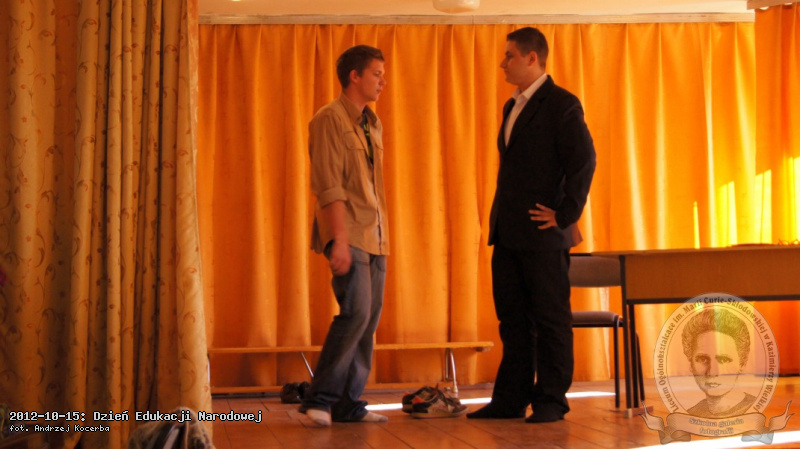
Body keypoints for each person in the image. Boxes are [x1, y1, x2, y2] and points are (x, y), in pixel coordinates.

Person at [467, 27, 596, 423]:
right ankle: (510, 399)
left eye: (509, 55)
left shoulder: (561, 103)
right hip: (509, 232)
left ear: (531, 58)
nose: (502, 63)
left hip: (543, 234)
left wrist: (565, 214)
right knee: (513, 321)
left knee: (550, 319)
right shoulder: (513, 106)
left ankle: (551, 400)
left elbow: (584, 160)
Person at [300, 45, 390, 427]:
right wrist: (338, 239)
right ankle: (319, 399)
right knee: (355, 313)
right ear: (355, 76)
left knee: (368, 322)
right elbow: (329, 186)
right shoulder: (329, 119)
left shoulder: (372, 123)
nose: (383, 82)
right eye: (376, 74)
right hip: (348, 231)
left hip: (376, 234)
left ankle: (348, 404)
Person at [681, 308, 756, 418]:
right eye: (702, 359)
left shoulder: (755, 411)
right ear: (691, 364)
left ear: (742, 363)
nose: (712, 372)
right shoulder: (690, 415)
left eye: (723, 360)